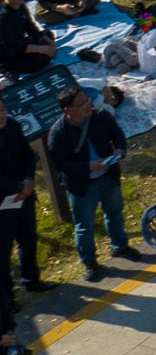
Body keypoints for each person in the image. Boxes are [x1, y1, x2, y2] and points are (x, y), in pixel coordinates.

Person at [48, 85, 131, 280]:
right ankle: (89, 262)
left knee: (115, 213)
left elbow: (118, 136)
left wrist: (120, 150)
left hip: (108, 177)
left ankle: (120, 246)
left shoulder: (100, 117)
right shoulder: (58, 133)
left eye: (88, 100)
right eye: (83, 103)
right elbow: (61, 164)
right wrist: (88, 166)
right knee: (84, 225)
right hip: (82, 186)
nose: (89, 105)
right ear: (67, 110)